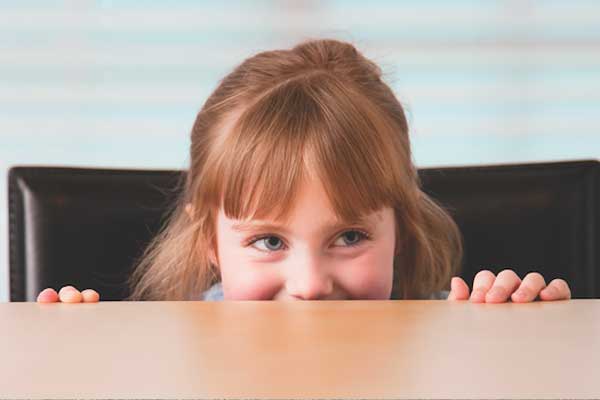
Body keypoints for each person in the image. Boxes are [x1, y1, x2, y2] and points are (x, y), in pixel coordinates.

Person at [36, 38, 571, 304]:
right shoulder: (174, 357)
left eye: (350, 235)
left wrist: (520, 349)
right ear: (208, 241)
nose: (310, 286)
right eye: (268, 241)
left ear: (402, 229)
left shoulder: (452, 332)